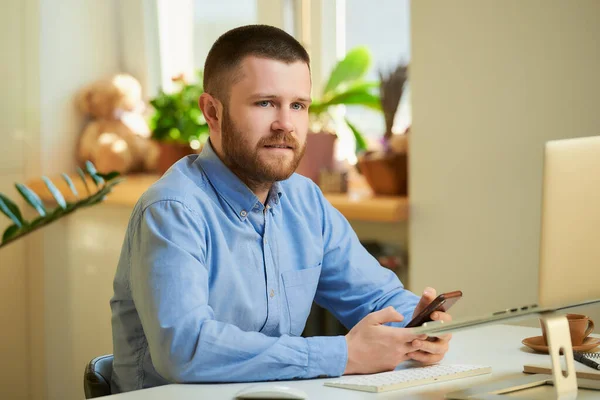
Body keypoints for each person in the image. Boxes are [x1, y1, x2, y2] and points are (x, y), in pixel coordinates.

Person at [110, 24, 452, 393]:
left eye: (298, 106)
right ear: (212, 112)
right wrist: (344, 354)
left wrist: (420, 329)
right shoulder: (172, 210)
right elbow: (186, 348)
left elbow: (380, 299)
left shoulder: (305, 201)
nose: (286, 125)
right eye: (264, 103)